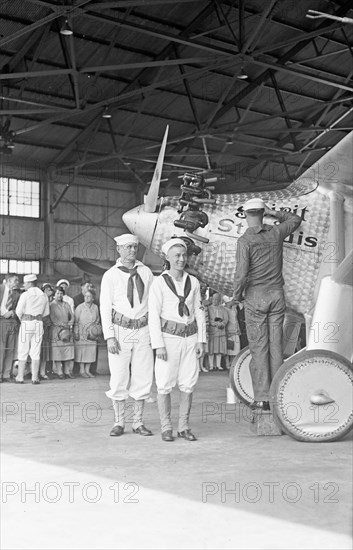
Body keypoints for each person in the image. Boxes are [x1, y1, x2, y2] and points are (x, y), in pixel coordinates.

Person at [233, 198, 302, 410]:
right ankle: (277, 395)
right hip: (277, 295)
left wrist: (235, 296)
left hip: (255, 297)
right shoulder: (275, 233)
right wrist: (274, 212)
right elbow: (295, 219)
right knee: (276, 346)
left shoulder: (244, 241)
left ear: (245, 215)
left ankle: (262, 398)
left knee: (259, 347)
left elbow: (241, 274)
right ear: (263, 213)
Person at [148, 238, 206, 442]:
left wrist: (201, 339)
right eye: (177, 256)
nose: (181, 259)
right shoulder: (159, 283)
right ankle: (166, 427)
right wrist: (158, 345)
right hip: (168, 338)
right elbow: (153, 315)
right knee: (164, 383)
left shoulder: (193, 282)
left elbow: (199, 310)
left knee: (188, 383)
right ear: (168, 258)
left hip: (189, 338)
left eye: (184, 255)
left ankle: (184, 427)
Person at [100, 233, 154, 437]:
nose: (132, 250)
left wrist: (153, 334)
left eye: (135, 247)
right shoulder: (111, 275)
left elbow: (152, 303)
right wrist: (109, 336)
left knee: (143, 375)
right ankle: (119, 422)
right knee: (119, 376)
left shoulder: (146, 272)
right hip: (121, 331)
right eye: (128, 247)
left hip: (142, 329)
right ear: (119, 249)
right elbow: (105, 307)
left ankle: (138, 422)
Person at [15, 274, 50, 384]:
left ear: (30, 283)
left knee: (23, 349)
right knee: (36, 350)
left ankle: (20, 377)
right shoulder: (44, 295)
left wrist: (23, 319)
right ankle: (35, 377)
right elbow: (47, 313)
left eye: (25, 283)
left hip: (26, 322)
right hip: (39, 323)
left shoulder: (25, 295)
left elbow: (18, 311)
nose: (24, 285)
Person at [74, 288, 100, 378]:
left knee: (90, 351)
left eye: (89, 296)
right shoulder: (80, 307)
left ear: (93, 298)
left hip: (91, 333)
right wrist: (76, 332)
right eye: (85, 296)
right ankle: (82, 370)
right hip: (81, 332)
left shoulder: (95, 307)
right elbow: (76, 321)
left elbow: (97, 319)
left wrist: (94, 329)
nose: (87, 298)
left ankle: (87, 370)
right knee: (82, 351)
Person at [49, 286, 74, 379]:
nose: (59, 295)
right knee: (58, 351)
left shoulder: (66, 304)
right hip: (56, 330)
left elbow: (72, 316)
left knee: (68, 350)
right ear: (54, 295)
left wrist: (70, 322)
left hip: (67, 330)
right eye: (57, 293)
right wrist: (61, 324)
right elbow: (52, 318)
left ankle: (67, 371)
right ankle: (59, 372)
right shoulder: (52, 305)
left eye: (61, 293)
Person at [0, 273, 21, 382]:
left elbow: (18, 309)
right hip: (1, 321)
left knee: (10, 348)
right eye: (15, 280)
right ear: (8, 281)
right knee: (1, 348)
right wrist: (4, 314)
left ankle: (6, 374)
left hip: (12, 322)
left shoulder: (17, 294)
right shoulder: (0, 289)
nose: (17, 282)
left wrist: (12, 312)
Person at [207, 292, 229, 371]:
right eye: (213, 299)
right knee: (211, 349)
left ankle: (218, 365)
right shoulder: (208, 308)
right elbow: (207, 319)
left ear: (219, 301)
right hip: (212, 330)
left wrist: (222, 324)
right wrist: (213, 323)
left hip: (220, 330)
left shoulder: (223, 309)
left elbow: (226, 319)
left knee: (219, 349)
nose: (214, 301)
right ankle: (211, 366)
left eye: (216, 299)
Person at [39, 283, 54, 380]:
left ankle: (42, 371)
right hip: (39, 326)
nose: (48, 291)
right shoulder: (39, 300)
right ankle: (33, 371)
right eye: (46, 289)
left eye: (49, 289)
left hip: (47, 329)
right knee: (37, 351)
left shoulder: (51, 302)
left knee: (45, 351)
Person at [224, 299, 241, 369]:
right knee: (228, 349)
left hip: (235, 330)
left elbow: (236, 320)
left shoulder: (235, 309)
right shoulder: (225, 309)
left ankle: (232, 363)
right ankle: (227, 363)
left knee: (236, 349)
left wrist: (238, 328)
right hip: (228, 330)